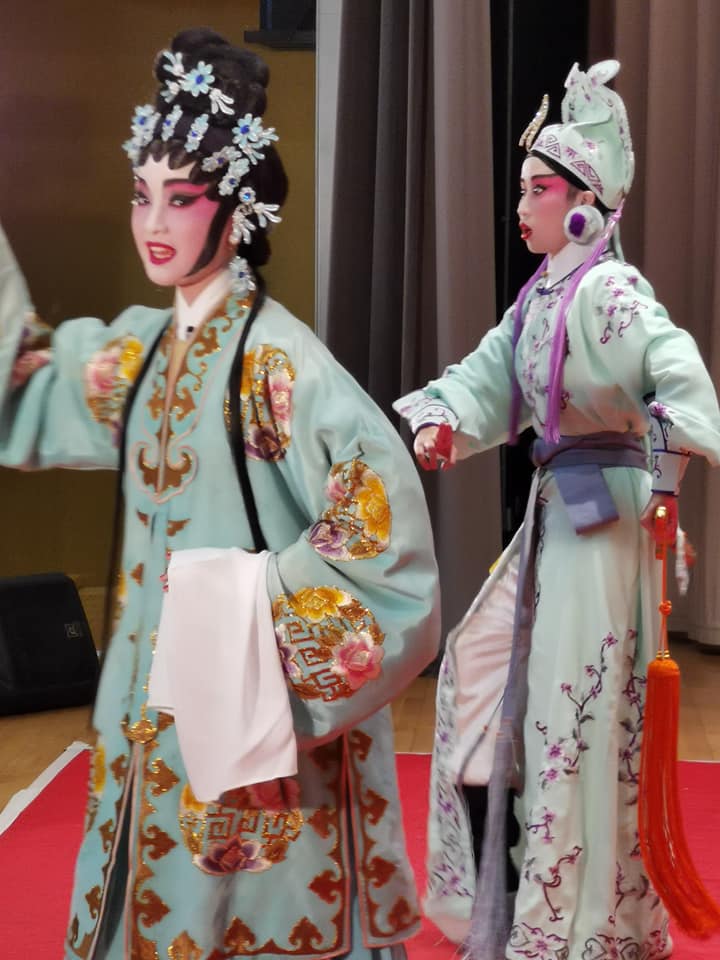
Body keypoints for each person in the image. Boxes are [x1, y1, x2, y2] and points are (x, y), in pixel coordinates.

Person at [0, 28, 440, 959]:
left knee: (254, 908)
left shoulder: (281, 365)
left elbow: (381, 547)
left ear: (236, 211)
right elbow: (28, 381)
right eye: (141, 194)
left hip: (248, 719)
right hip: (145, 709)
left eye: (182, 198)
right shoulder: (142, 351)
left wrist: (237, 619)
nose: (153, 220)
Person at [395, 60, 720, 959]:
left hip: (604, 522)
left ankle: (576, 924)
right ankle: (517, 898)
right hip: (561, 514)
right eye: (524, 189)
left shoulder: (610, 291)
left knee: (573, 709)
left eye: (537, 190)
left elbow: (679, 373)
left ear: (584, 204)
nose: (522, 206)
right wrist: (444, 421)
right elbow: (487, 377)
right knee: (487, 671)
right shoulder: (541, 296)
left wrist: (664, 469)